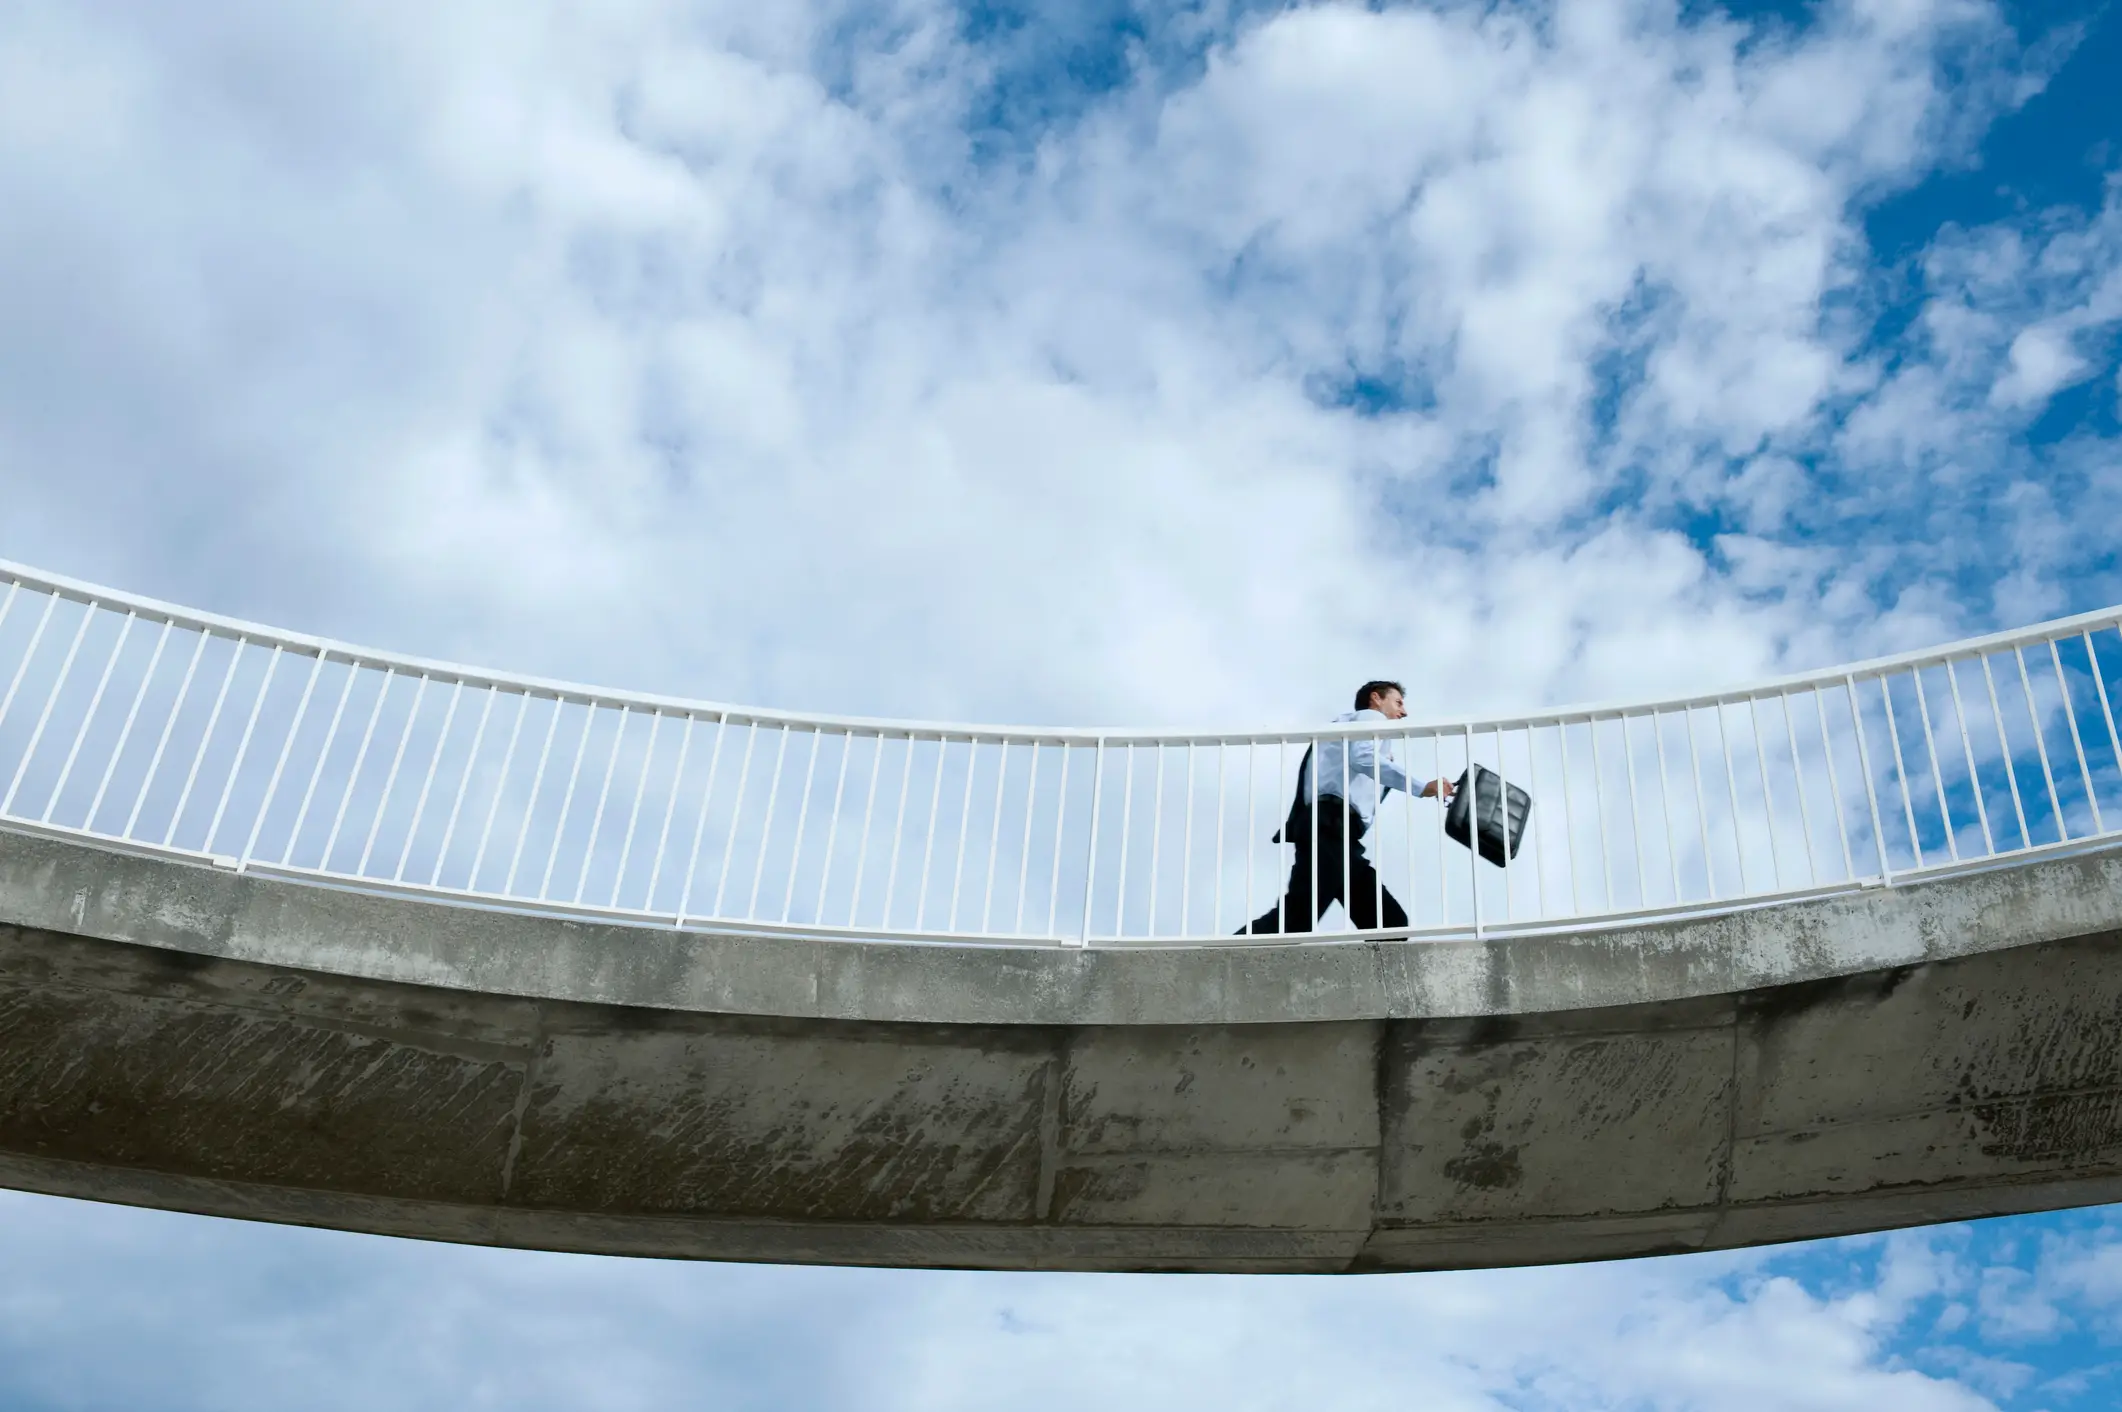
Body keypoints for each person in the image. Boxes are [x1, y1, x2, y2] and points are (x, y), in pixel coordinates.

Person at [1243, 680, 1454, 934]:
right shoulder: (1369, 718)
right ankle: (1220, 958)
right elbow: (1364, 758)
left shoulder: (1352, 729)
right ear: (1376, 699)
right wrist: (1421, 787)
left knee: (1389, 924)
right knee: (1298, 917)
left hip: (1343, 835)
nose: (1404, 712)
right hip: (1329, 824)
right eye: (1398, 702)